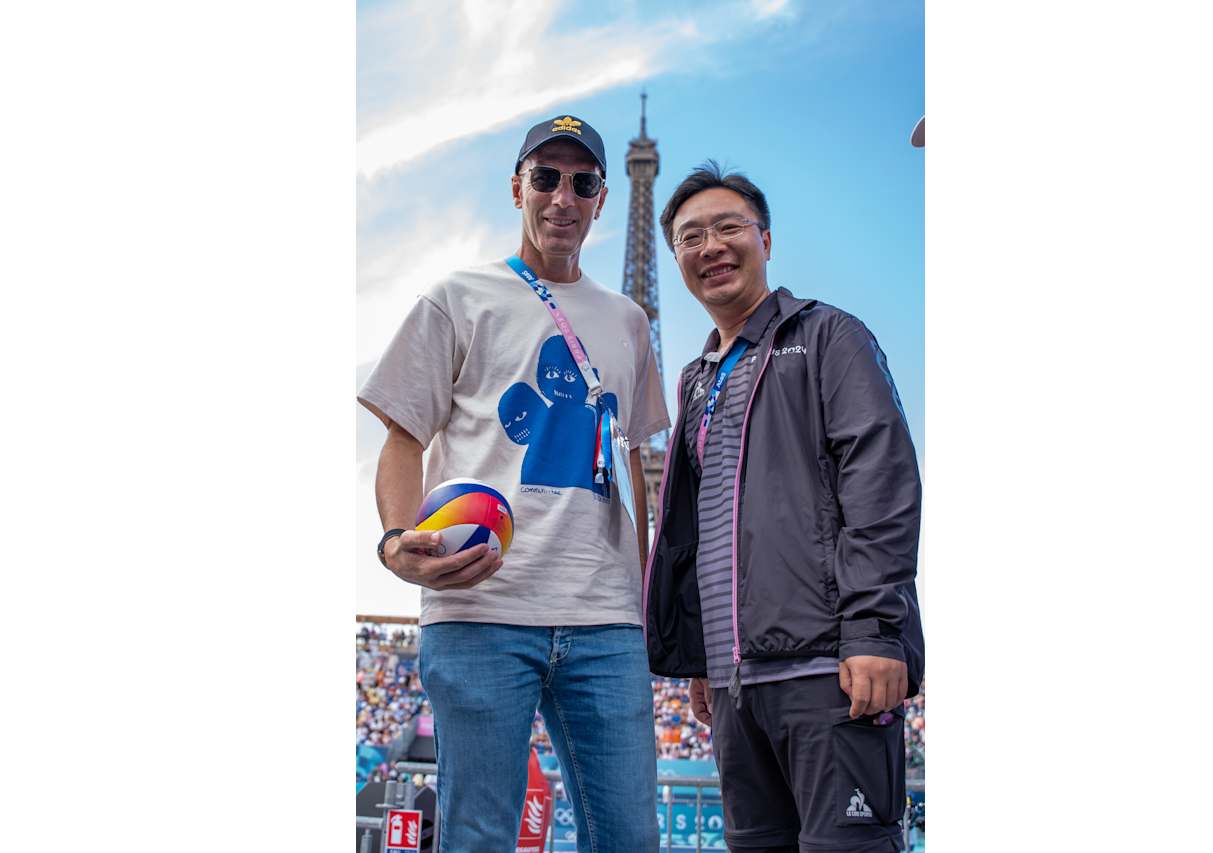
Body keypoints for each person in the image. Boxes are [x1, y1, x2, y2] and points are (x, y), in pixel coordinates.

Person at [359, 114, 667, 851]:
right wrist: (397, 540)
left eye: (583, 182)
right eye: (547, 177)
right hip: (480, 607)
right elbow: (404, 438)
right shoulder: (458, 298)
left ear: (602, 197)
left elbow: (634, 464)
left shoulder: (628, 322)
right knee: (478, 836)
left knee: (630, 836)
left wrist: (648, 588)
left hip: (606, 619)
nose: (564, 195)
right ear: (517, 188)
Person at [645, 162, 924, 853]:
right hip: (739, 693)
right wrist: (703, 656)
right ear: (676, 259)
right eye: (689, 237)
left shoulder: (828, 336)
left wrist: (874, 630)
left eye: (728, 226)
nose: (710, 245)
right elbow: (698, 530)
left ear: (765, 239)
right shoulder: (696, 378)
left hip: (828, 672)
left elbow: (880, 478)